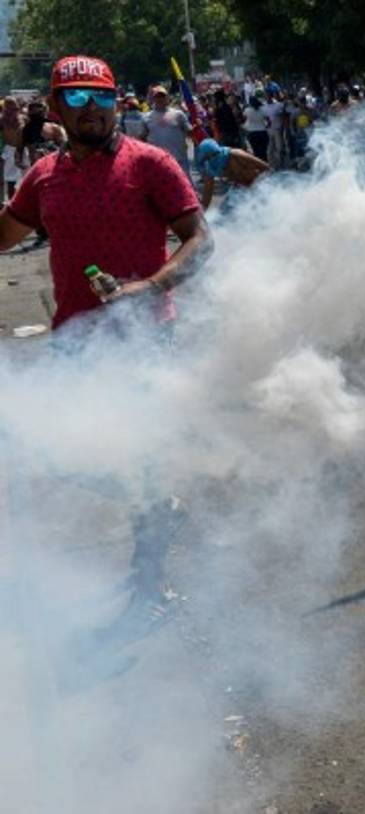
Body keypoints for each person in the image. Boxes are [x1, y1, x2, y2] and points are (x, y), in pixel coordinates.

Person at [0, 55, 210, 628]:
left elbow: (200, 238)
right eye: (76, 99)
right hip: (74, 343)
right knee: (58, 453)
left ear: (118, 101)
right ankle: (161, 504)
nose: (91, 110)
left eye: (101, 98)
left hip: (145, 341)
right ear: (56, 105)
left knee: (140, 462)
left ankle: (149, 585)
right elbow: (6, 234)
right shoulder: (44, 176)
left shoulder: (151, 164)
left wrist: (154, 282)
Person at [197, 137, 270, 212]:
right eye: (208, 157)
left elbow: (265, 167)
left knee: (260, 210)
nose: (212, 158)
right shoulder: (211, 168)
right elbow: (207, 193)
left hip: (258, 183)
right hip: (240, 187)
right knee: (223, 214)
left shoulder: (235, 154)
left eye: (214, 154)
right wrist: (201, 212)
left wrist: (265, 186)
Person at [141, 85, 192, 178]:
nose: (160, 99)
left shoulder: (178, 114)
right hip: (157, 162)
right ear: (153, 99)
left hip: (178, 160)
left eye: (162, 96)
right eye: (157, 96)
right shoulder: (146, 117)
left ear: (167, 97)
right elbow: (142, 139)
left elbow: (190, 132)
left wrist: (197, 126)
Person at [1, 96, 27, 200]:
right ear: (5, 109)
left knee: (26, 179)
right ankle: (11, 204)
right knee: (10, 180)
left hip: (23, 151)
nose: (14, 112)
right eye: (10, 109)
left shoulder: (23, 118)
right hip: (9, 151)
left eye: (16, 109)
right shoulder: (1, 121)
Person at [242, 93, 270, 161]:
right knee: (264, 152)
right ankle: (265, 166)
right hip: (263, 132)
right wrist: (266, 127)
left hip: (252, 133)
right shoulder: (263, 109)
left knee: (256, 152)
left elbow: (243, 120)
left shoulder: (247, 110)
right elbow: (269, 121)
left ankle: (259, 167)